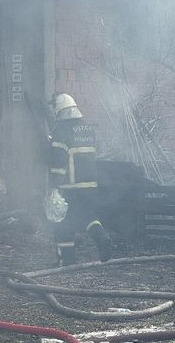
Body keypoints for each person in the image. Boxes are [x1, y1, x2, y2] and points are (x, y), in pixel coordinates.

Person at [47, 93, 112, 266]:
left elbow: (59, 163)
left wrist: (53, 186)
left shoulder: (61, 131)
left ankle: (67, 261)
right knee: (88, 217)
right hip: (90, 185)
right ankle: (102, 237)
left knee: (63, 223)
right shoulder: (87, 129)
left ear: (59, 110)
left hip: (70, 187)